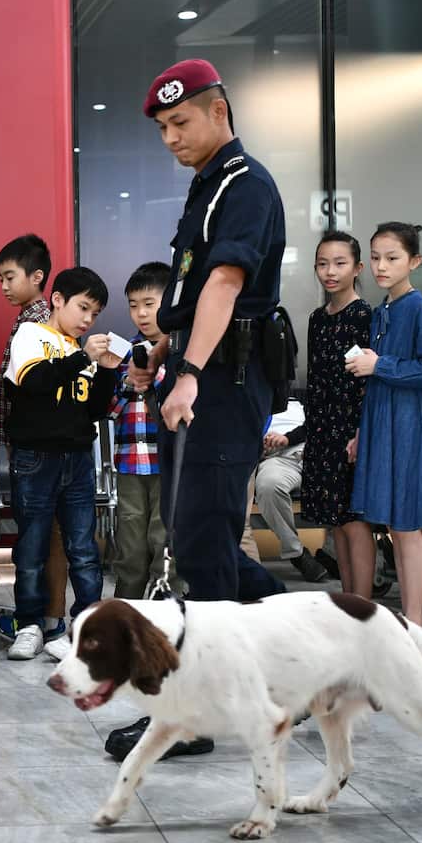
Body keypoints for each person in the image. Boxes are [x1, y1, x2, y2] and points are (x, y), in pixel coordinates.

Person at [109, 58, 283, 762]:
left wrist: (187, 373)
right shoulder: (205, 188)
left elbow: (225, 284)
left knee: (204, 543)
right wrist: (161, 355)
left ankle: (199, 715)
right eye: (161, 128)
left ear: (220, 112)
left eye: (180, 123)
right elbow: (187, 295)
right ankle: (297, 644)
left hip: (226, 379)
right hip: (205, 371)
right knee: (199, 537)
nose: (169, 138)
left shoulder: (245, 186)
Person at [346, 222, 422, 627]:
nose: (381, 266)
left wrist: (380, 364)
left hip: (410, 424)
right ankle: (413, 616)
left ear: (414, 261)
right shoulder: (383, 311)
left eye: (392, 258)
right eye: (375, 258)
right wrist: (363, 430)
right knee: (397, 525)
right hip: (385, 421)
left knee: (408, 524)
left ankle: (417, 619)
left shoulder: (419, 308)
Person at [4, 266, 119, 660]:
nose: (88, 320)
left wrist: (106, 371)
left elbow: (95, 411)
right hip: (35, 456)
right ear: (57, 300)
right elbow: (34, 383)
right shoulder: (30, 335)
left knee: (84, 549)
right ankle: (30, 626)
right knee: (32, 549)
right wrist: (81, 358)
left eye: (94, 314)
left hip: (79, 459)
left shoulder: (81, 350)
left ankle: (87, 628)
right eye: (83, 308)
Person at [0, 233, 70, 644]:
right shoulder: (29, 317)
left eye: (9, 277)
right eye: (0, 278)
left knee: (44, 532)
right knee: (40, 531)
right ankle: (42, 616)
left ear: (37, 276)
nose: (3, 285)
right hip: (28, 443)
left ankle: (46, 619)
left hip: (36, 446)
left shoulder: (39, 321)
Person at [300, 231, 375, 596]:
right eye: (323, 264)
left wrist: (362, 432)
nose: (330, 271)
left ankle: (362, 602)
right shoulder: (317, 318)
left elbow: (370, 385)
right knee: (337, 522)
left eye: (340, 263)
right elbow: (315, 380)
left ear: (358, 268)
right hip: (322, 428)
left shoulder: (365, 315)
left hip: (351, 428)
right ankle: (348, 600)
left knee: (355, 520)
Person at [111, 261, 175, 599]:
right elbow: (109, 410)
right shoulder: (123, 353)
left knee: (163, 541)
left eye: (149, 304)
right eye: (134, 306)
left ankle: (166, 610)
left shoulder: (181, 351)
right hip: (130, 464)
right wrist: (127, 383)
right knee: (131, 543)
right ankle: (128, 608)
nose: (141, 314)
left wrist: (159, 376)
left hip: (168, 464)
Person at [250, 399, 325, 580]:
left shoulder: (307, 398)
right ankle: (296, 552)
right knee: (269, 485)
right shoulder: (254, 399)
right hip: (278, 457)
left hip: (316, 450)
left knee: (344, 480)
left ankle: (331, 552)